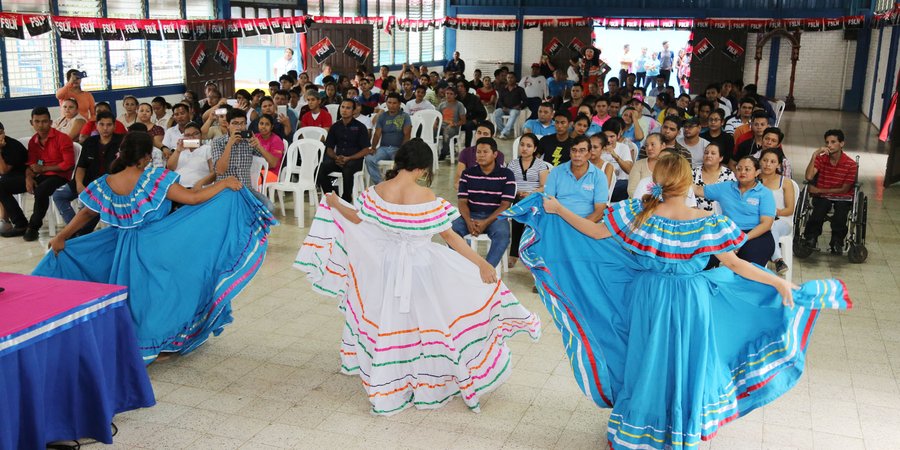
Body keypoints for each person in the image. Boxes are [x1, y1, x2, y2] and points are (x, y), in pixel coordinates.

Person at [504, 152, 849, 450]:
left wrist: (558, 209)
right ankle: (681, 427)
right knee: (686, 358)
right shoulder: (706, 221)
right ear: (687, 183)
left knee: (649, 357)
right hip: (690, 299)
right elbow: (736, 264)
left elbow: (592, 232)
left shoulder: (637, 212)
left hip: (649, 296)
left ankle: (642, 427)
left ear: (656, 182)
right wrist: (777, 282)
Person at [295, 138, 540, 415]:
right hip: (421, 266)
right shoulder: (425, 196)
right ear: (423, 168)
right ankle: (424, 377)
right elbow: (450, 237)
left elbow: (357, 218)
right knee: (429, 323)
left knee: (393, 321)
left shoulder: (377, 190)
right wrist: (481, 264)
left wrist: (335, 203)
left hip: (387, 265)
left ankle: (393, 379)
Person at [34, 131, 274, 363]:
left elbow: (86, 213)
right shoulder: (154, 179)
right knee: (166, 292)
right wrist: (223, 185)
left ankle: (136, 340)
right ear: (146, 157)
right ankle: (159, 342)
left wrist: (62, 237)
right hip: (158, 243)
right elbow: (193, 199)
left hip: (122, 246)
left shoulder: (106, 183)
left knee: (137, 294)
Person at [0, 107, 75, 241]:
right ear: (31, 122)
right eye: (37, 121)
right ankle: (20, 223)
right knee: (2, 185)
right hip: (40, 175)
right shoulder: (33, 141)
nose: (41, 125)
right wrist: (28, 177)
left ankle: (33, 227)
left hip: (60, 176)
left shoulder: (62, 139)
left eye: (44, 121)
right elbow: (31, 164)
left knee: (41, 190)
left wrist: (44, 169)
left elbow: (68, 164)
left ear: (51, 122)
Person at [695, 155, 776, 267]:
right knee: (704, 260)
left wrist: (742, 239)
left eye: (747, 169)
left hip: (755, 235)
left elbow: (766, 224)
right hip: (728, 232)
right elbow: (697, 190)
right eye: (739, 168)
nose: (742, 172)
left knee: (749, 267)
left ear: (757, 172)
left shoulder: (765, 193)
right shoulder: (726, 187)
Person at [52, 111, 122, 234]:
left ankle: (77, 231)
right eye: (102, 124)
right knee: (59, 195)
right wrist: (79, 184)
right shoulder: (90, 142)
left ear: (114, 126)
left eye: (109, 125)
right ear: (96, 125)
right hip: (86, 181)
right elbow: (81, 167)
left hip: (107, 186)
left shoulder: (121, 142)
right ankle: (74, 229)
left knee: (90, 208)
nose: (105, 128)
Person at [451, 137, 516, 267]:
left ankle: (486, 270)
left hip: (495, 217)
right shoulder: (467, 174)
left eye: (485, 152)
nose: (481, 155)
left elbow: (505, 205)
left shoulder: (507, 174)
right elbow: (462, 201)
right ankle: (465, 266)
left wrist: (485, 222)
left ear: (495, 154)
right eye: (478, 152)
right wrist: (469, 221)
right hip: (472, 215)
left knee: (503, 234)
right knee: (452, 230)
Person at [210, 109, 281, 207]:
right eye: (235, 123)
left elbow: (273, 163)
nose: (239, 127)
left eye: (243, 123)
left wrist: (259, 146)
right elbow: (220, 170)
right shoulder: (218, 142)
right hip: (225, 190)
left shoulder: (249, 142)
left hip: (246, 190)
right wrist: (229, 144)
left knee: (269, 207)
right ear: (228, 125)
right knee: (234, 210)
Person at [802, 129, 857, 254]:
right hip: (823, 197)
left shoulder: (851, 164)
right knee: (820, 208)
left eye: (833, 142)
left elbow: (845, 189)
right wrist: (814, 155)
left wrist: (819, 190)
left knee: (841, 213)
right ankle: (811, 237)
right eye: (827, 142)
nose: (829, 145)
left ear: (841, 143)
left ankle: (837, 241)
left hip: (842, 197)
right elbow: (809, 177)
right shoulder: (821, 159)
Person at [507, 133, 550, 268]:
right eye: (522, 145)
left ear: (535, 148)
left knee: (531, 216)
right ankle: (514, 253)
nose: (524, 148)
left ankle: (533, 254)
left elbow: (544, 186)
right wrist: (518, 192)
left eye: (529, 146)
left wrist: (530, 194)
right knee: (518, 211)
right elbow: (508, 184)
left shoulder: (540, 165)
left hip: (534, 198)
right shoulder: (512, 164)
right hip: (517, 197)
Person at [316, 99, 371, 202]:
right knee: (320, 168)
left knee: (348, 168)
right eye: (342, 107)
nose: (344, 110)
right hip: (338, 159)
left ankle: (346, 197)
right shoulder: (335, 126)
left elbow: (366, 150)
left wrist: (349, 158)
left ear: (354, 111)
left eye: (348, 108)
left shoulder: (360, 127)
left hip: (355, 160)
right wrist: (336, 157)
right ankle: (333, 196)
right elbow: (329, 148)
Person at [544, 135, 607, 222]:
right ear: (569, 153)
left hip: (587, 224)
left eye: (582, 150)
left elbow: (599, 212)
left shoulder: (599, 176)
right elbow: (548, 202)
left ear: (589, 154)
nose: (577, 155)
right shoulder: (556, 172)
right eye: (574, 150)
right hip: (558, 221)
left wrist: (579, 226)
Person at [759, 148, 795, 275]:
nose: (768, 164)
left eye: (773, 161)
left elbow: (790, 210)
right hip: (756, 219)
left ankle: (777, 259)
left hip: (781, 221)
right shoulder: (753, 179)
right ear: (760, 161)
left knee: (770, 225)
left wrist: (773, 212)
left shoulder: (785, 182)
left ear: (779, 164)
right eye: (765, 160)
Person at [365, 93, 411, 184]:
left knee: (401, 162)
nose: (392, 105)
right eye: (389, 102)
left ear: (399, 104)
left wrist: (402, 150)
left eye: (394, 103)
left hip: (398, 148)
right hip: (383, 148)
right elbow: (377, 134)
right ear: (386, 103)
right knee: (369, 159)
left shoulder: (405, 116)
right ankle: (380, 183)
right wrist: (373, 148)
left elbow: (407, 135)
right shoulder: (382, 117)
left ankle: (398, 184)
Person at [0, 121, 29, 234]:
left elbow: (3, 170)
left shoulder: (12, 146)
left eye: (0, 133)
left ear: (4, 132)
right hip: (9, 177)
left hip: (26, 176)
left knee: (1, 186)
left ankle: (19, 223)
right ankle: (4, 220)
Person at [167, 121, 215, 189]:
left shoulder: (207, 149)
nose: (192, 137)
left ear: (201, 135)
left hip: (200, 189)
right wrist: (178, 151)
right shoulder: (178, 150)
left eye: (195, 134)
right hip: (178, 189)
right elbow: (170, 168)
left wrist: (200, 183)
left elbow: (213, 173)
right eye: (187, 135)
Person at [692, 142, 736, 213]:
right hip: (696, 216)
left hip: (722, 218)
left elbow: (733, 198)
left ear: (721, 158)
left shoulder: (729, 175)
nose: (708, 155)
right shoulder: (693, 173)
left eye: (713, 153)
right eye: (706, 153)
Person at [599, 119, 634, 202]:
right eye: (606, 136)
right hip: (600, 184)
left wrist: (615, 156)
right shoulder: (597, 148)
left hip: (618, 185)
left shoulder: (623, 147)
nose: (608, 140)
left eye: (612, 136)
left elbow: (629, 170)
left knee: (626, 184)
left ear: (618, 135)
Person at [492, 73, 528, 139]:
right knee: (496, 113)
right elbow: (499, 100)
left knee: (513, 113)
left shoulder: (520, 89)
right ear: (506, 79)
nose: (510, 79)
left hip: (514, 109)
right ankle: (504, 130)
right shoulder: (503, 89)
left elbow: (526, 101)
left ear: (515, 79)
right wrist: (503, 107)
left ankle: (504, 133)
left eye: (512, 77)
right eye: (508, 77)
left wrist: (519, 106)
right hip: (504, 108)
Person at [627, 132, 664, 197]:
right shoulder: (639, 164)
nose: (649, 148)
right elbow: (631, 190)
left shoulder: (668, 165)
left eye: (653, 144)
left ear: (663, 146)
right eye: (646, 145)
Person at [253, 114, 286, 184]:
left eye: (267, 124)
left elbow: (273, 164)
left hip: (272, 173)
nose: (263, 126)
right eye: (261, 123)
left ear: (271, 127)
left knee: (252, 180)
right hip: (257, 170)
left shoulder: (276, 140)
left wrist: (259, 147)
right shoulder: (255, 137)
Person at [437, 88, 467, 160]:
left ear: (455, 95)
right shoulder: (441, 105)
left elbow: (463, 121)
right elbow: (437, 117)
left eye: (451, 94)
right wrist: (436, 124)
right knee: (431, 130)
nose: (448, 95)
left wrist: (455, 124)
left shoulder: (459, 105)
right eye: (447, 93)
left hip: (453, 127)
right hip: (441, 126)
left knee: (446, 131)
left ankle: (444, 152)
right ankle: (432, 152)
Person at [457, 80, 487, 147]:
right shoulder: (456, 99)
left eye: (461, 86)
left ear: (466, 87)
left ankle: (467, 146)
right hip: (459, 122)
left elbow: (483, 113)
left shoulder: (474, 98)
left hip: (472, 121)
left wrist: (476, 120)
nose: (459, 88)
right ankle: (451, 146)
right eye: (458, 86)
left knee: (469, 125)